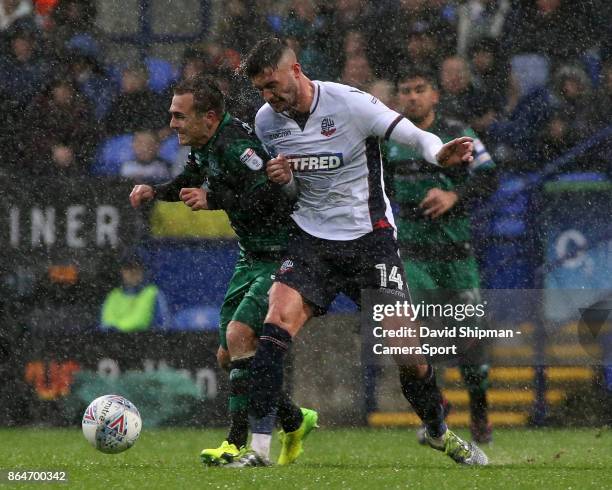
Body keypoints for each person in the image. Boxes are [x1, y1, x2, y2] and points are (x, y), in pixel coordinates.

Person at [230, 37, 488, 467]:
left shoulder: (349, 104)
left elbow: (411, 133)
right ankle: (258, 450)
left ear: (295, 70)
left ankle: (439, 431)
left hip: (371, 240)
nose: (269, 97)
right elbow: (291, 189)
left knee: (408, 354)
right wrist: (282, 180)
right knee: (272, 328)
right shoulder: (266, 122)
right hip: (311, 240)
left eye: (273, 85)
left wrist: (437, 153)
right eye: (261, 90)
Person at [128, 74, 317, 466]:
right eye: (172, 115)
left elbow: (269, 194)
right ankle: (295, 419)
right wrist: (155, 190)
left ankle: (235, 441)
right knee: (227, 356)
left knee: (238, 335)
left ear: (209, 117)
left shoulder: (237, 146)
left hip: (280, 255)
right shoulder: (206, 145)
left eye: (180, 116)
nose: (173, 124)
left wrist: (212, 199)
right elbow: (189, 180)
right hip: (251, 256)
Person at [384, 66, 497, 444]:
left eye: (420, 88)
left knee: (469, 346)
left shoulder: (457, 132)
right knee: (414, 336)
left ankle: (479, 408)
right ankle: (439, 406)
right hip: (412, 255)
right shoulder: (389, 139)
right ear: (398, 98)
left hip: (455, 256)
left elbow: (489, 177)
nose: (412, 96)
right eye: (405, 89)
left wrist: (454, 196)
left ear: (434, 95)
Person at [100, 253, 171, 333]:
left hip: (146, 341)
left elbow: (164, 326)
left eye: (136, 268)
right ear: (122, 271)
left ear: (143, 271)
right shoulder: (113, 295)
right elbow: (106, 323)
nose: (132, 272)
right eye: (128, 269)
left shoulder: (153, 293)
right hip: (115, 342)